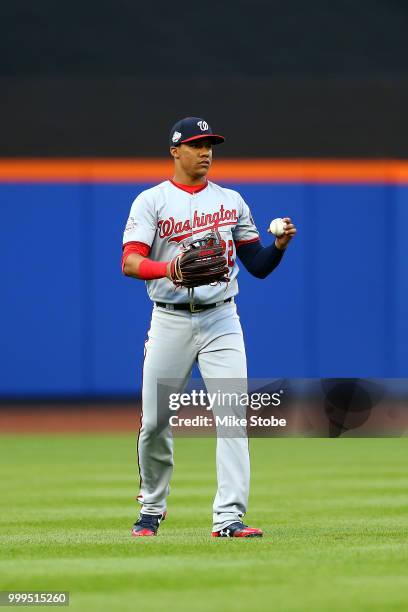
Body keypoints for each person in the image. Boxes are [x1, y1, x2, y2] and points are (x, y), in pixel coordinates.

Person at [122, 117, 297, 538]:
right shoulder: (152, 201)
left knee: (233, 416)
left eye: (210, 144)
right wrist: (170, 268)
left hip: (222, 318)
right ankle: (152, 506)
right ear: (175, 151)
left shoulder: (232, 201)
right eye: (197, 144)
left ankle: (229, 517)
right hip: (169, 319)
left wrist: (277, 247)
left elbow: (255, 266)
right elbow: (130, 263)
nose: (206, 152)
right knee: (155, 422)